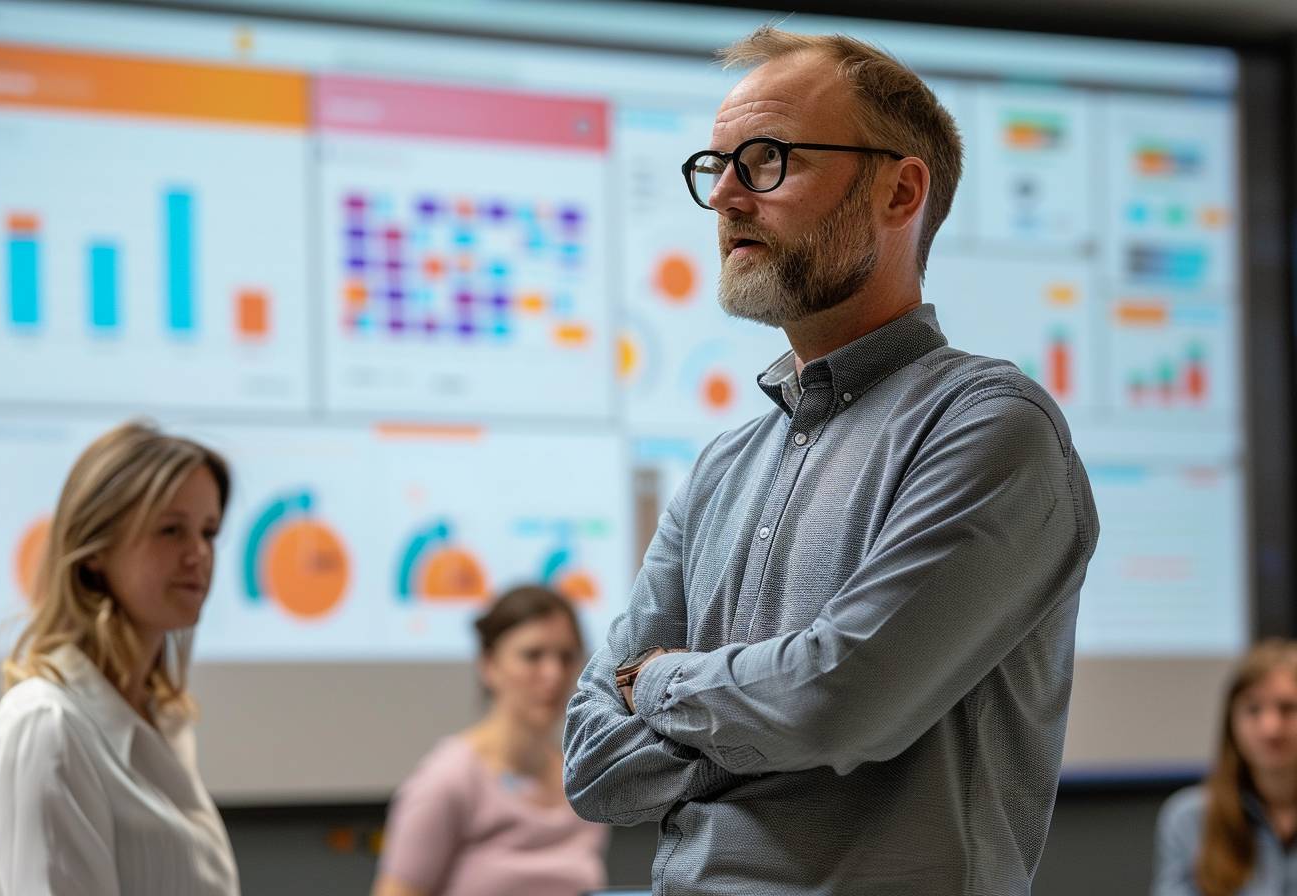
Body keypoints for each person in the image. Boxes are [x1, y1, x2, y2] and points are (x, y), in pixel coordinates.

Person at [563, 26, 1100, 895]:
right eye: (718, 166)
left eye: (768, 160)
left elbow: (836, 703)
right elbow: (591, 764)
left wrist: (657, 683)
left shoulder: (991, 426)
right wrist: (771, 724)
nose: (726, 196)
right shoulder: (722, 466)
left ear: (900, 191)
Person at [0, 420, 239, 895]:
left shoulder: (162, 718)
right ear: (95, 549)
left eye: (208, 532)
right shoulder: (46, 727)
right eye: (171, 530)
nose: (198, 554)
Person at [373, 585, 606, 896]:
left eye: (566, 657)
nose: (553, 674)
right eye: (532, 656)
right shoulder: (448, 780)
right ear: (489, 665)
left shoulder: (582, 780)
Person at [1153, 639, 1297, 895]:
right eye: (1253, 710)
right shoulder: (1191, 819)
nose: (1271, 728)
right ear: (1231, 722)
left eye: (1287, 709)